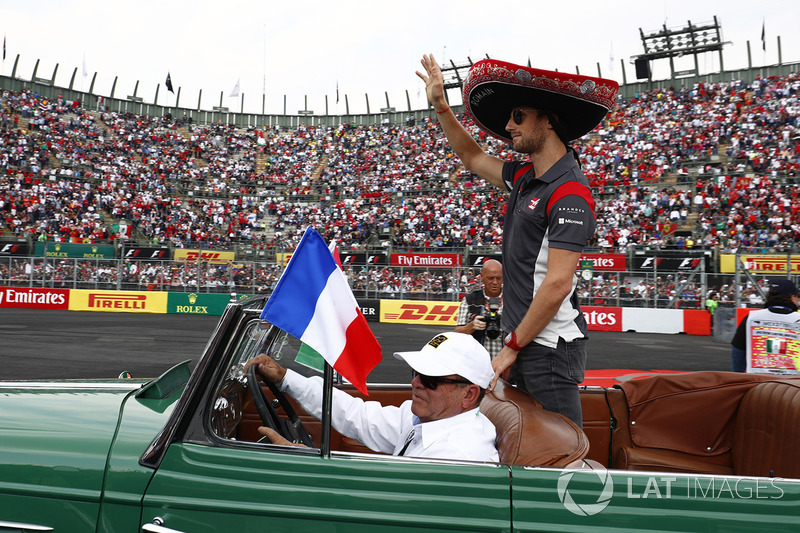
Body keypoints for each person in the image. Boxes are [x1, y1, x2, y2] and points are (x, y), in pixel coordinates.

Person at [416, 55, 618, 427]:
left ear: (549, 119)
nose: (508, 125)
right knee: (523, 453)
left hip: (548, 350)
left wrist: (510, 348)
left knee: (561, 458)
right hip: (524, 345)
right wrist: (441, 105)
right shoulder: (526, 177)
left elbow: (557, 284)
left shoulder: (570, 194)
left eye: (518, 115)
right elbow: (473, 157)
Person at [245, 331, 499, 462]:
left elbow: (392, 503)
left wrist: (305, 466)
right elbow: (359, 415)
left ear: (469, 394)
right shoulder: (432, 420)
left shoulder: (456, 453)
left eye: (430, 379)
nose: (415, 383)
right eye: (416, 372)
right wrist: (285, 378)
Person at [730, 279, 800, 374]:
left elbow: (737, 352)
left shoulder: (751, 318)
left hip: (757, 382)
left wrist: (739, 376)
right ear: (792, 297)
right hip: (793, 383)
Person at [455, 258, 503, 358]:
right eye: (491, 278)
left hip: (507, 364)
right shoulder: (470, 299)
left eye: (499, 278)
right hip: (477, 362)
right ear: (482, 277)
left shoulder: (513, 299)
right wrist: (472, 326)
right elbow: (457, 333)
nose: (495, 282)